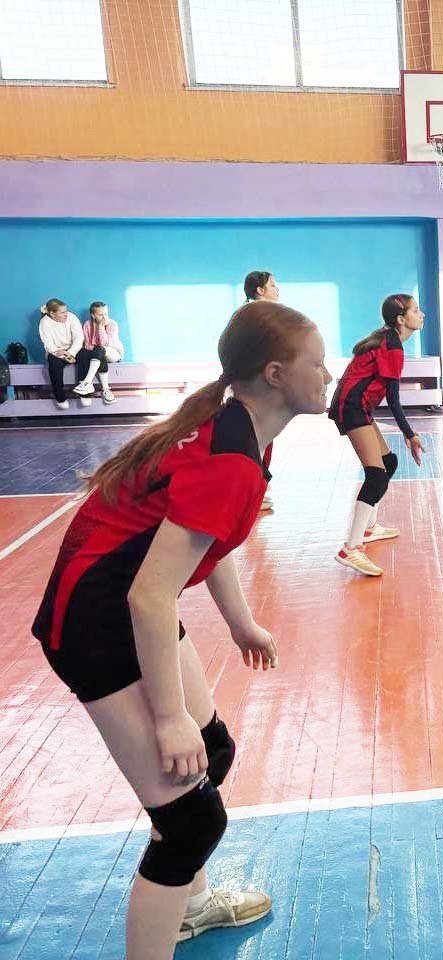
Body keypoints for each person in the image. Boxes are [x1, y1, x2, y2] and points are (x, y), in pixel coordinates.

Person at [31, 300, 332, 957]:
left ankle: (189, 909)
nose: (328, 374)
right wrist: (168, 718)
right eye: (318, 363)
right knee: (190, 823)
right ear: (276, 374)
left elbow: (204, 543)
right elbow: (149, 597)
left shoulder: (243, 431)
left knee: (210, 753)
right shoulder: (230, 458)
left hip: (120, 606)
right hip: (95, 625)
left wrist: (242, 623)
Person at [328, 293, 426, 576]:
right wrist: (409, 433)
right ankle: (351, 548)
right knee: (376, 475)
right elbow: (393, 398)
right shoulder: (391, 345)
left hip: (358, 406)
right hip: (351, 407)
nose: (421, 315)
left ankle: (369, 528)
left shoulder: (388, 339)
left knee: (388, 463)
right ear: (401, 319)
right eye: (416, 310)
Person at [243, 272, 281, 508]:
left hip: (262, 388)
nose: (278, 289)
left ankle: (256, 489)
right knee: (256, 439)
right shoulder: (254, 316)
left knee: (264, 438)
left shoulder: (264, 315)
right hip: (255, 389)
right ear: (260, 290)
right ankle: (252, 491)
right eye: (273, 285)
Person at [73, 301, 125, 405]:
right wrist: (95, 348)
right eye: (101, 315)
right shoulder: (87, 325)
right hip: (98, 355)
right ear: (93, 315)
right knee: (88, 352)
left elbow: (105, 344)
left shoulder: (112, 324)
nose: (104, 317)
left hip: (114, 352)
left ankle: (87, 382)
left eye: (106, 313)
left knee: (99, 349)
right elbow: (87, 345)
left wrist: (101, 327)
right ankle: (105, 390)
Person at [38, 299, 84, 410]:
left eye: (66, 311)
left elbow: (79, 338)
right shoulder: (44, 322)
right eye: (62, 312)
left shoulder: (72, 317)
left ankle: (84, 390)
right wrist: (61, 354)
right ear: (52, 313)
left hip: (73, 350)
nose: (66, 314)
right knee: (53, 362)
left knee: (86, 355)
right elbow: (48, 343)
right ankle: (60, 396)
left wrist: (71, 353)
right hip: (57, 352)